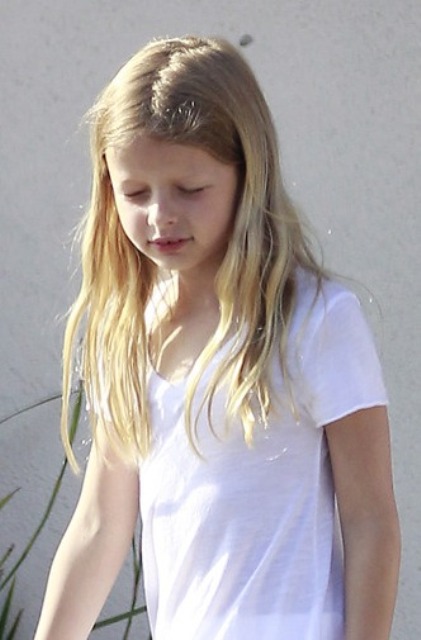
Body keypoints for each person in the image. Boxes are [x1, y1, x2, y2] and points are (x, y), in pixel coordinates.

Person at [34, 36, 400, 640]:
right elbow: (99, 526)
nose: (160, 214)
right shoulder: (127, 335)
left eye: (190, 189)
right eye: (135, 192)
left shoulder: (316, 319)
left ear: (247, 175)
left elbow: (371, 522)